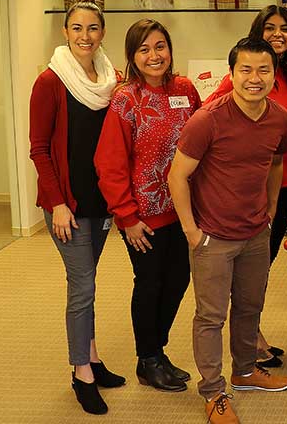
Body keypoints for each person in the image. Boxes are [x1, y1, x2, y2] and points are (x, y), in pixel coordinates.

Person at [168, 37, 287, 424]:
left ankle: (245, 372)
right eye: (246, 70)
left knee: (249, 308)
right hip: (213, 236)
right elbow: (177, 177)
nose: (254, 78)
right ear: (232, 73)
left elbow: (274, 165)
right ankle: (213, 392)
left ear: (274, 74)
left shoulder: (279, 118)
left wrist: (271, 209)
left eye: (263, 70)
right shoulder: (207, 119)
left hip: (256, 232)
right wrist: (192, 233)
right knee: (211, 316)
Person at [205, 5, 287, 357]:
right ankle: (249, 340)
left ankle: (251, 332)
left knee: (261, 265)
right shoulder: (244, 77)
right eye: (270, 28)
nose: (278, 34)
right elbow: (210, 114)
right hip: (248, 188)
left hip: (283, 183)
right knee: (244, 269)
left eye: (284, 28)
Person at [28, 0, 123, 415]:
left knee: (88, 282)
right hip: (66, 204)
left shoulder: (110, 79)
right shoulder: (50, 81)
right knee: (82, 285)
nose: (86, 36)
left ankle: (93, 355)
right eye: (77, 28)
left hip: (100, 201)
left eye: (93, 28)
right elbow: (39, 148)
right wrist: (57, 204)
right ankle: (81, 370)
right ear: (65, 32)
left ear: (103, 33)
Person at [94, 19, 200, 393]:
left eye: (160, 46)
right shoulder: (126, 98)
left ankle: (158, 350)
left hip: (183, 209)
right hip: (143, 215)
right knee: (150, 283)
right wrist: (127, 217)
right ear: (133, 57)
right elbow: (109, 163)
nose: (154, 56)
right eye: (144, 49)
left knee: (178, 280)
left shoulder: (185, 90)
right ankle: (148, 359)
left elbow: (203, 139)